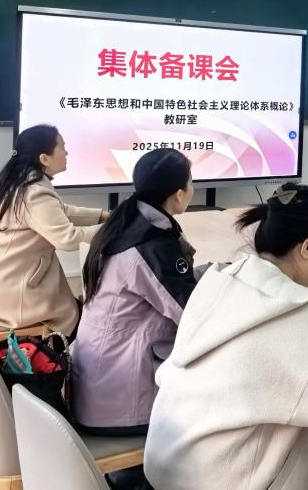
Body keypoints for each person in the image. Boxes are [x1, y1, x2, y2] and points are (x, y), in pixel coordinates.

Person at [144, 183, 308, 490]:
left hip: (173, 467)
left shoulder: (222, 279)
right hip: (224, 481)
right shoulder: (293, 310)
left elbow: (257, 334)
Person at [73, 148, 197, 436]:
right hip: (119, 406)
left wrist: (213, 274)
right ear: (179, 194)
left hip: (98, 386)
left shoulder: (130, 221)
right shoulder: (151, 245)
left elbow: (167, 284)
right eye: (192, 182)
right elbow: (192, 315)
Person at [0, 125, 108, 335]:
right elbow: (68, 239)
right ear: (44, 158)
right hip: (7, 292)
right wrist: (112, 227)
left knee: (78, 310)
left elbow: (60, 211)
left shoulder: (23, 182)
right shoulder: (34, 192)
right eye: (62, 147)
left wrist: (103, 215)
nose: (67, 152)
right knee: (82, 320)